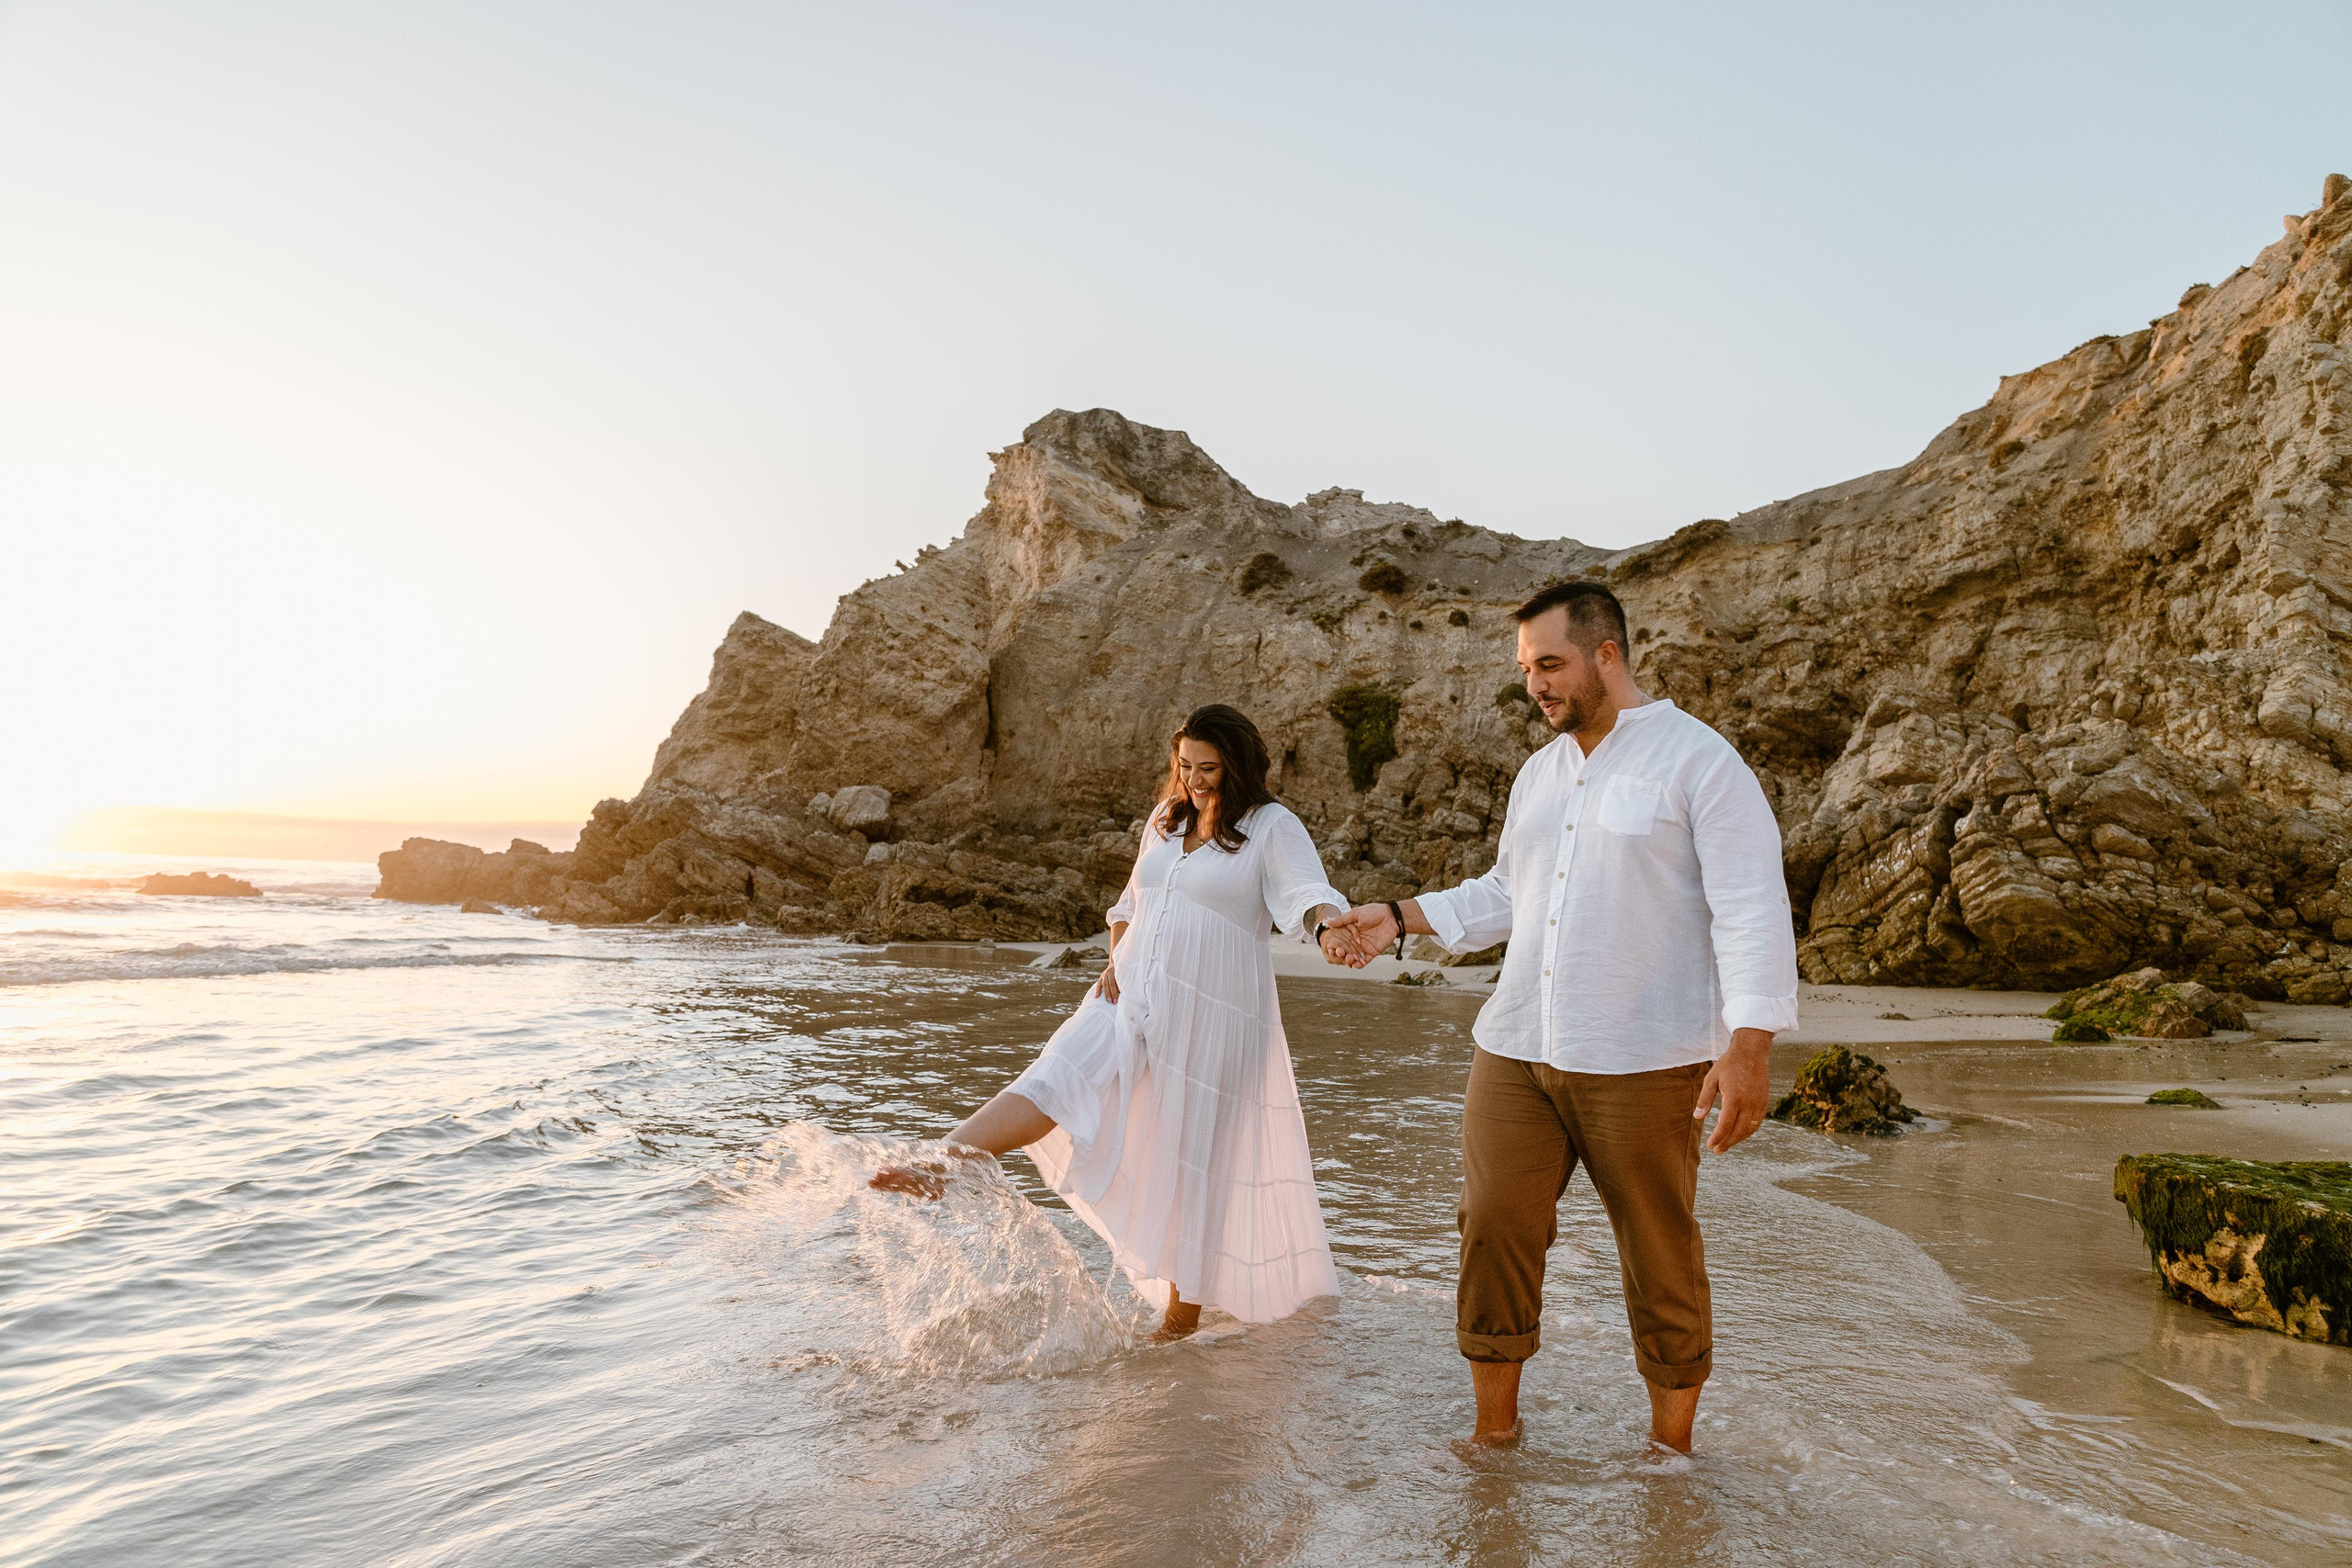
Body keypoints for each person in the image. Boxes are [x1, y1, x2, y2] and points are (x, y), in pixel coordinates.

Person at [1323, 581, 1798, 1454]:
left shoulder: (1700, 761)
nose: (1535, 685)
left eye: (1550, 664)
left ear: (1606, 655)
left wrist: (1750, 1046)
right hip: (1517, 1045)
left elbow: (1751, 907)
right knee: (1491, 1226)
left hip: (1645, 1054)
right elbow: (1508, 891)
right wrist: (1397, 915)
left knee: (1659, 1250)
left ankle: (1670, 1459)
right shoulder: (1539, 773)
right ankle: (1493, 1440)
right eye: (1525, 669)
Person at [874, 704, 1358, 1339]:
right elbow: (1130, 903)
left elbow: (1308, 895)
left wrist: (1328, 930)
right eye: (1185, 766)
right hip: (1127, 995)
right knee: (1058, 1073)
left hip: (1214, 1015)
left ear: (1239, 765)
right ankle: (943, 1161)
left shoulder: (1270, 826)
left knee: (1195, 1160)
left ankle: (1179, 1322)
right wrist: (1116, 959)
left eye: (1208, 768)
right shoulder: (1164, 820)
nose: (1194, 780)